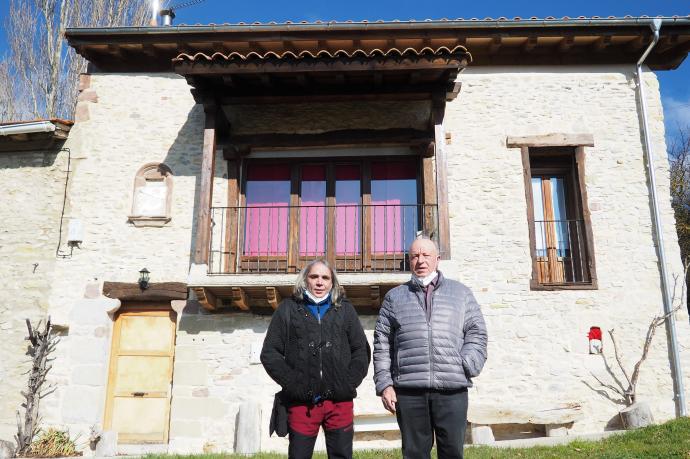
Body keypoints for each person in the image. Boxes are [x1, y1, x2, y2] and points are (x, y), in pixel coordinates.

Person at [373, 237, 488, 459]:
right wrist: (385, 384)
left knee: (452, 452)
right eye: (415, 256)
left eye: (426, 255)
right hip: (408, 391)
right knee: (414, 454)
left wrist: (466, 363)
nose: (420, 260)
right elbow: (382, 343)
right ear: (409, 260)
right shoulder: (394, 297)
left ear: (438, 259)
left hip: (452, 388)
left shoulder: (461, 293)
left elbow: (477, 333)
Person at [261, 259, 370, 459]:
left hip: (340, 402)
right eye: (314, 276)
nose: (320, 282)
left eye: (325, 277)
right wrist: (293, 383)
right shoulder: (288, 309)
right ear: (305, 280)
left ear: (332, 283)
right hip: (302, 403)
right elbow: (270, 353)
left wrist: (347, 383)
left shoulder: (345, 310)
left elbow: (361, 350)